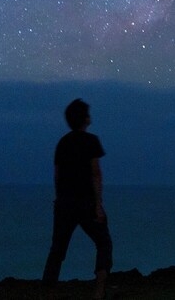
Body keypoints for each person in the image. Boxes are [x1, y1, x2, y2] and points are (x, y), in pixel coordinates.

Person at [42, 99, 113, 299]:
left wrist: (58, 198)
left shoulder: (63, 143)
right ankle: (99, 290)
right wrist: (98, 205)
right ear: (84, 118)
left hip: (65, 203)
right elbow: (96, 173)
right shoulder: (91, 141)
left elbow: (57, 175)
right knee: (103, 242)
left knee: (57, 249)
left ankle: (48, 292)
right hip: (86, 202)